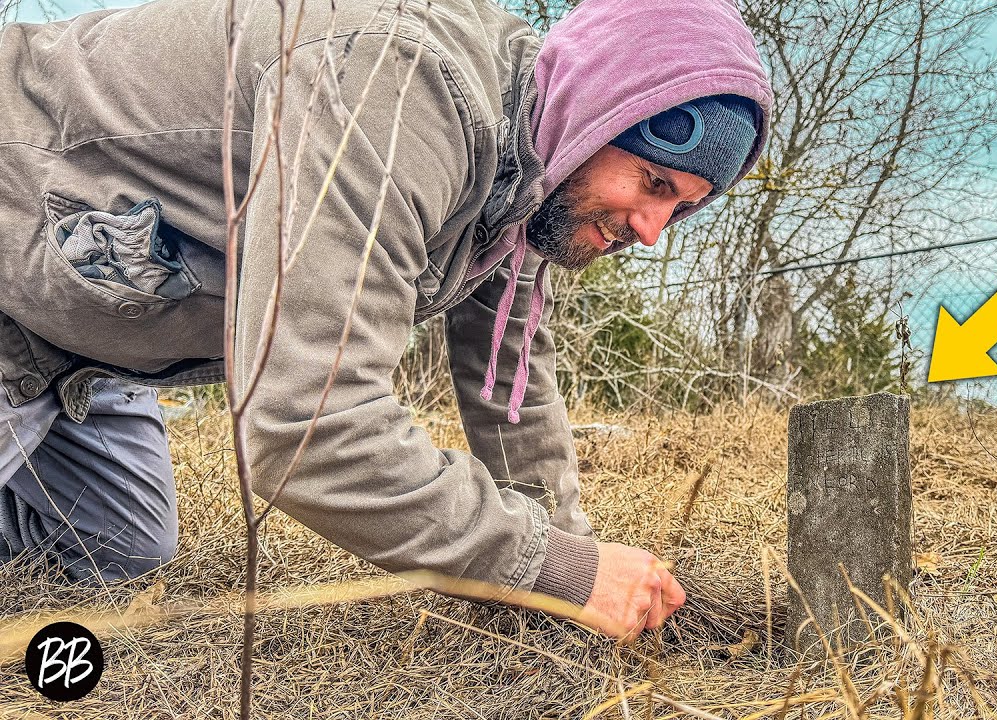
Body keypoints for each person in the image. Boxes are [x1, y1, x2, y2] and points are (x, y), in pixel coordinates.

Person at [0, 0, 771, 640]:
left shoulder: (534, 174)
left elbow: (511, 387)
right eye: (653, 181)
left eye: (684, 206)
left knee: (121, 547)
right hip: (13, 240)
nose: (652, 230)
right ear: (597, 112)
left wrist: (574, 568)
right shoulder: (401, 96)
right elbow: (308, 429)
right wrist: (553, 571)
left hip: (86, 330)